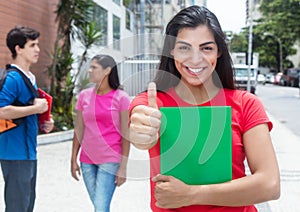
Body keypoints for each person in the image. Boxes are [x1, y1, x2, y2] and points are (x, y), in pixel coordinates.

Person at [129, 5, 280, 212]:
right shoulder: (151, 103)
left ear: (218, 51)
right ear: (171, 51)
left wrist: (192, 194)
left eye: (206, 48)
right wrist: (142, 133)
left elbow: (270, 184)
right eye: (184, 48)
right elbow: (141, 132)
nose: (195, 59)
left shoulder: (246, 104)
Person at [0, 26, 54, 212]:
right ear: (18, 49)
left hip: (28, 153)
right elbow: (1, 110)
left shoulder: (29, 78)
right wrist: (35, 108)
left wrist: (44, 121)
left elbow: (26, 112)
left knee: (27, 205)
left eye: (37, 44)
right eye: (32, 45)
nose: (37, 49)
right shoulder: (13, 78)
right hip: (14, 154)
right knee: (17, 207)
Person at [71, 54, 131, 212]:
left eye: (94, 67)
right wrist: (73, 159)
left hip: (110, 160)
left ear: (107, 71)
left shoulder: (121, 98)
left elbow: (126, 133)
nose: (89, 71)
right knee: (99, 206)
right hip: (86, 160)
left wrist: (123, 167)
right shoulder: (84, 96)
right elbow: (79, 129)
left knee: (100, 206)